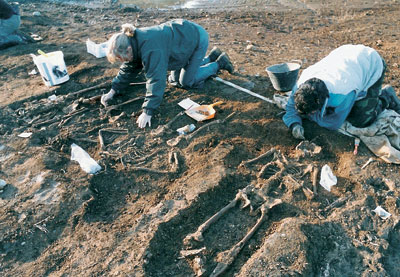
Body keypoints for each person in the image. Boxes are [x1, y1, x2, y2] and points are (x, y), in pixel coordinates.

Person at [101, 19, 234, 128]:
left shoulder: (151, 49)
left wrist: (148, 111)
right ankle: (212, 57)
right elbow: (129, 68)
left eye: (121, 58)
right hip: (181, 41)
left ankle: (219, 63)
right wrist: (113, 90)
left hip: (196, 39)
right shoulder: (133, 41)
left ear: (129, 49)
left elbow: (156, 79)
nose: (121, 61)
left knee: (187, 81)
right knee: (175, 80)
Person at [283, 44, 400, 140]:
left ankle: (386, 97)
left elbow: (334, 123)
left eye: (312, 112)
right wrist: (294, 124)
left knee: (361, 120)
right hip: (345, 56)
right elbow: (290, 107)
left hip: (371, 63)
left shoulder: (341, 93)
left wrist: (311, 116)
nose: (308, 115)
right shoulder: (301, 84)